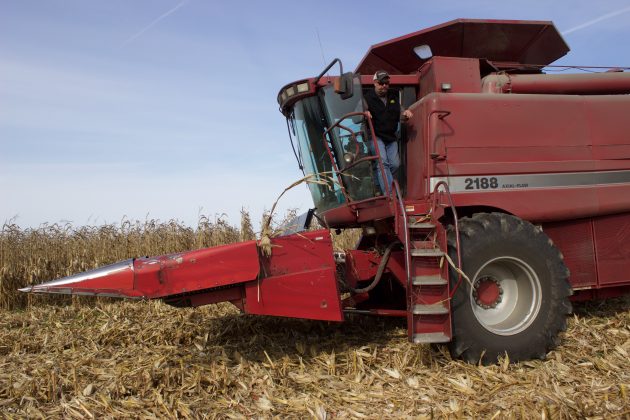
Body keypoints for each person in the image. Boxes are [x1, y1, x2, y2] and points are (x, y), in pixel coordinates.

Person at [364, 70, 413, 194]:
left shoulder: (393, 97)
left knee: (395, 164)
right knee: (383, 162)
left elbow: (400, 115)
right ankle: (390, 193)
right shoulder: (367, 98)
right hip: (375, 136)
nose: (384, 86)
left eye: (386, 83)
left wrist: (406, 113)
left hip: (390, 136)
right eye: (381, 83)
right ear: (375, 83)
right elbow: (356, 117)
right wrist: (364, 113)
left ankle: (379, 184)